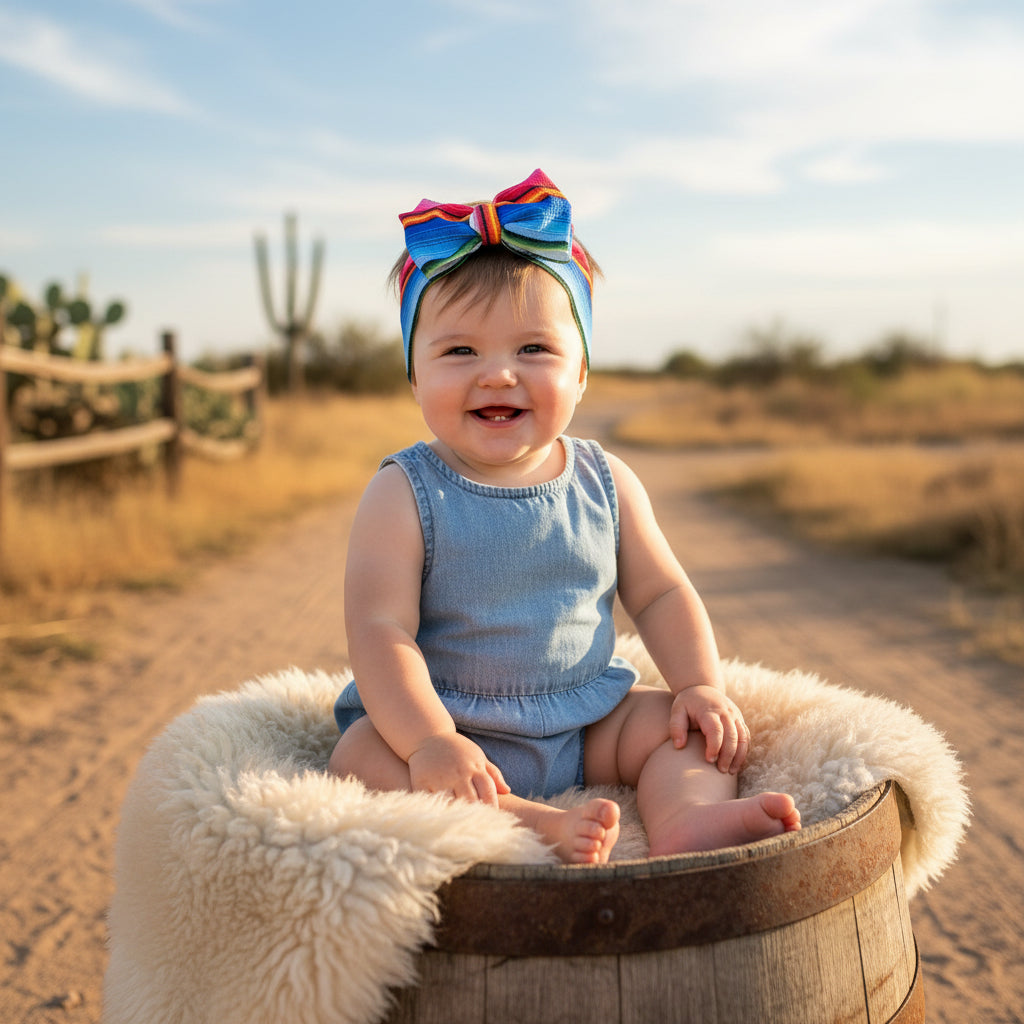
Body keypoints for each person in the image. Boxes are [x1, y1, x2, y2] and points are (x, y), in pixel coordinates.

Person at [328, 169, 800, 864]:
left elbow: (664, 592)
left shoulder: (605, 481)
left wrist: (699, 684)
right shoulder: (405, 491)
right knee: (358, 753)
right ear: (414, 375)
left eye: (534, 349)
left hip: (586, 721)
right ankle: (519, 818)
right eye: (460, 351)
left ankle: (688, 822)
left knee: (690, 732)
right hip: (451, 723)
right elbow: (380, 629)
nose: (497, 374)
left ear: (581, 372)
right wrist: (430, 740)